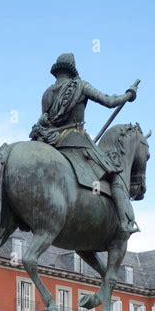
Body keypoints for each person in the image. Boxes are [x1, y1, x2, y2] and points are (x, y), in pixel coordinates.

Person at [29, 52, 140, 235]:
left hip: (52, 142)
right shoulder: (81, 86)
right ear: (72, 69)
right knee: (114, 171)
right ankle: (125, 222)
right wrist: (129, 94)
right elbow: (110, 101)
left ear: (57, 71)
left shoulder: (47, 93)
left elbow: (46, 120)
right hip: (76, 140)